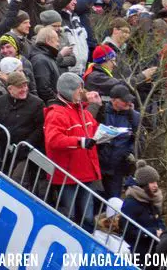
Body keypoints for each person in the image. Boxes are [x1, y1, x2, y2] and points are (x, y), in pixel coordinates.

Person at [44, 72, 103, 231]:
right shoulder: (56, 112)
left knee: (88, 217)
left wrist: (110, 133)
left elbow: (96, 130)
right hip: (67, 175)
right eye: (79, 89)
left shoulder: (84, 112)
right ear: (69, 91)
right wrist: (80, 142)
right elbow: (54, 140)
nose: (82, 92)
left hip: (86, 173)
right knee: (68, 217)